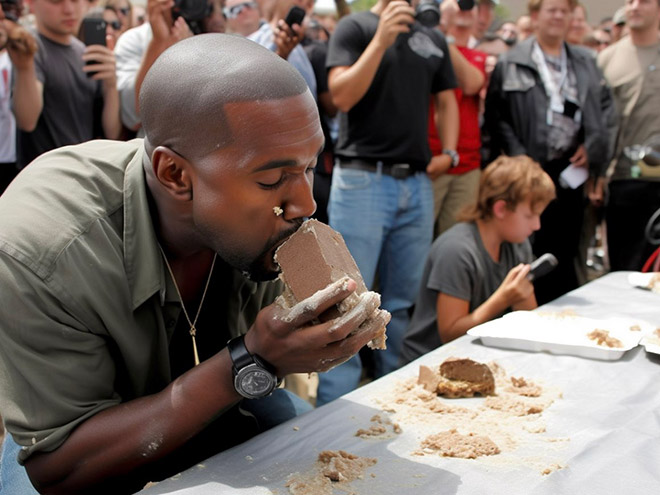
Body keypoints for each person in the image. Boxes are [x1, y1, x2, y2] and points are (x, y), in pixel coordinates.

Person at [0, 34, 386, 493]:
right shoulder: (44, 248)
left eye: (309, 167)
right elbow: (59, 470)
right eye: (271, 179)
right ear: (175, 175)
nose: (305, 203)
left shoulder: (259, 221)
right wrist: (255, 358)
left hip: (220, 399)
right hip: (89, 438)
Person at [317, 0, 458, 405]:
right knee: (348, 301)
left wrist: (450, 152)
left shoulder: (432, 36)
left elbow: (448, 99)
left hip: (417, 182)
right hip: (363, 179)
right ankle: (332, 410)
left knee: (405, 303)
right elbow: (341, 96)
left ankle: (396, 403)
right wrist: (381, 39)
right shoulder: (355, 27)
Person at [485, 0, 615, 304]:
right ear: (534, 15)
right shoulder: (513, 60)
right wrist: (520, 160)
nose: (558, 16)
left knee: (568, 247)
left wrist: (592, 146)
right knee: (528, 245)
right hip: (528, 169)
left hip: (572, 168)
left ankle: (564, 311)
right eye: (551, 9)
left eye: (564, 10)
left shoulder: (585, 60)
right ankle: (527, 308)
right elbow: (496, 117)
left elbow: (606, 111)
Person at [399, 155, 556, 365]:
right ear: (500, 209)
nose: (537, 225)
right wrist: (502, 299)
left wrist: (521, 295)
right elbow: (450, 335)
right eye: (529, 216)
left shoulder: (518, 243)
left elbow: (529, 324)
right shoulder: (457, 251)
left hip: (480, 357)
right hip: (431, 363)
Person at [10, 0, 121, 168]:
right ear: (32, 4)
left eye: (76, 0)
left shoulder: (85, 53)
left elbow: (112, 133)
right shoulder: (30, 47)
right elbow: (27, 121)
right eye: (56, 1)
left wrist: (111, 86)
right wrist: (25, 67)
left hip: (83, 171)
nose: (69, 10)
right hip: (43, 174)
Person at [598, 0, 660, 271]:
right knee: (623, 268)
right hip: (622, 179)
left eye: (644, 1)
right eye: (630, 1)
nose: (635, 7)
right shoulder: (606, 59)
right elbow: (597, 123)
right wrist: (597, 174)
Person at [114, 0, 225, 135]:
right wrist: (158, 42)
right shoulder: (134, 39)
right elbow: (132, 116)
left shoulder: (219, 38)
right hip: (157, 147)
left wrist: (215, 16)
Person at [431, 0, 486, 236]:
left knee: (453, 241)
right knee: (416, 247)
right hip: (430, 164)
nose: (464, 8)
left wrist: (445, 38)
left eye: (469, 4)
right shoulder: (426, 47)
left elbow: (472, 83)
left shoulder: (479, 55)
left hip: (467, 166)